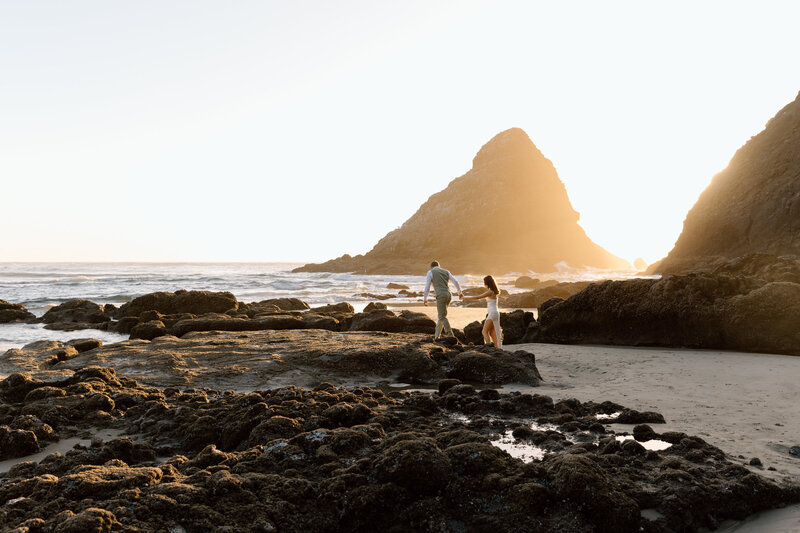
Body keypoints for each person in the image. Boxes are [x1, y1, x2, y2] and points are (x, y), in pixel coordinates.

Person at [423, 261, 463, 339]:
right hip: (449, 295)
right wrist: (459, 292)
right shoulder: (446, 271)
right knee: (441, 316)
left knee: (442, 317)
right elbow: (455, 281)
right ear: (439, 266)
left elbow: (427, 287)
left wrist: (425, 299)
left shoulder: (430, 272)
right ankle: (437, 336)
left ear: (431, 267)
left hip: (441, 295)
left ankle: (450, 335)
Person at [462, 275, 503, 348]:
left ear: (487, 283)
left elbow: (478, 297)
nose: (484, 284)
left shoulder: (490, 292)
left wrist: (464, 298)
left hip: (493, 313)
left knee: (484, 331)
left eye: (484, 282)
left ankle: (489, 346)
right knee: (492, 332)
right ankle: (496, 348)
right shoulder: (494, 291)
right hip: (495, 313)